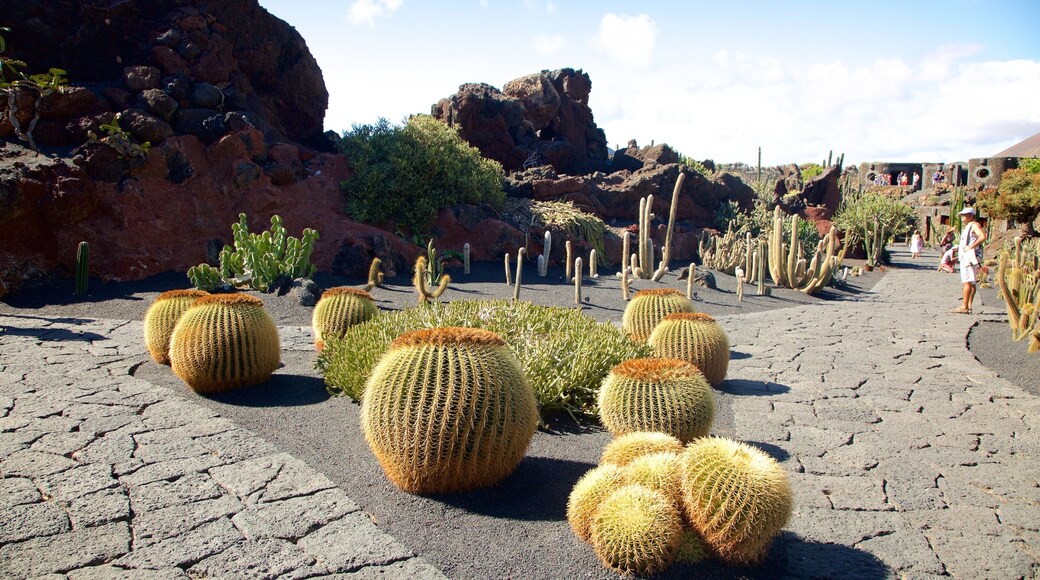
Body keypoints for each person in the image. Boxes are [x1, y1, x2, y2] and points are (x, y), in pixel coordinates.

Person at [951, 207, 986, 314]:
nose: (963, 217)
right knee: (971, 282)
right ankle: (969, 305)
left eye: (965, 215)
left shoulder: (974, 225)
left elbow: (982, 236)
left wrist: (971, 247)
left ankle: (964, 306)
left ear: (971, 216)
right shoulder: (969, 227)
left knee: (967, 282)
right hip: (967, 256)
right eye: (962, 215)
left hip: (969, 257)